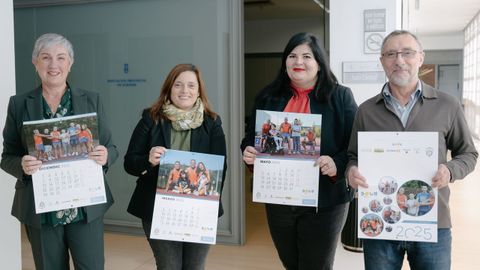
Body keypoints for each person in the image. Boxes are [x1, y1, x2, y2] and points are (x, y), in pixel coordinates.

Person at [346, 30, 478, 270]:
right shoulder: (366, 110)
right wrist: (351, 171)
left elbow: (468, 154)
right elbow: (353, 156)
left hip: (433, 223)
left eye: (407, 52)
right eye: (390, 54)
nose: (399, 60)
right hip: (381, 223)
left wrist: (450, 170)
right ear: (382, 62)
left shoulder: (447, 105)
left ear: (420, 57)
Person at [0, 33, 118, 270]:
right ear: (35, 63)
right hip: (41, 208)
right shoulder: (19, 103)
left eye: (61, 58)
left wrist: (105, 156)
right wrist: (21, 165)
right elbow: (7, 156)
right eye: (46, 58)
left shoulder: (91, 100)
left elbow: (112, 148)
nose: (54, 65)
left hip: (85, 208)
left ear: (70, 63)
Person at [241, 32, 357, 269]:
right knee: (290, 262)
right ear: (285, 63)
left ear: (319, 64)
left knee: (316, 265)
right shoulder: (267, 97)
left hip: (325, 202)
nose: (298, 62)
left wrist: (337, 163)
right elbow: (250, 139)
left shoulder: (340, 96)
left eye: (306, 56)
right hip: (279, 198)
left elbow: (355, 146)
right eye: (292, 56)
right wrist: (249, 153)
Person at [124, 63, 227, 270]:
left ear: (199, 90)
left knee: (194, 267)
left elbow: (220, 170)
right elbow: (130, 163)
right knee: (169, 266)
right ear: (169, 89)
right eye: (178, 85)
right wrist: (148, 160)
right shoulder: (150, 119)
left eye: (191, 85)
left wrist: (205, 202)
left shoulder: (212, 123)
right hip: (158, 209)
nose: (184, 91)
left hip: (199, 209)